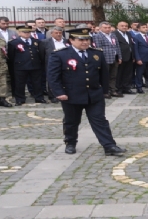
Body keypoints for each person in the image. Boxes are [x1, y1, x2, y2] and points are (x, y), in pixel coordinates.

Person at [48, 28, 126, 156]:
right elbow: (53, 76)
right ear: (71, 40)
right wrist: (59, 92)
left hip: (94, 95)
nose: (85, 42)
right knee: (71, 121)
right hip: (71, 95)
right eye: (81, 40)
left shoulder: (96, 53)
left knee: (100, 121)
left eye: (87, 39)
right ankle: (70, 143)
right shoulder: (60, 54)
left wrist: (104, 91)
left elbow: (104, 74)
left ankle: (109, 145)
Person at [7, 26, 47, 105]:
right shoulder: (13, 42)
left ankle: (39, 97)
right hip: (20, 66)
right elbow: (11, 56)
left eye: (28, 32)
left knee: (37, 83)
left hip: (35, 65)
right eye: (24, 32)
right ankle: (20, 99)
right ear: (19, 33)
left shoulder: (36, 41)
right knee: (20, 83)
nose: (26, 34)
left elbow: (41, 54)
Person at [92, 21, 123, 98]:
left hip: (114, 58)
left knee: (113, 75)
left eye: (109, 27)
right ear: (100, 28)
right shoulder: (97, 36)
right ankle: (105, 91)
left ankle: (113, 90)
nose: (107, 29)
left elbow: (117, 46)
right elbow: (98, 49)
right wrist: (100, 60)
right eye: (105, 28)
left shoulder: (113, 35)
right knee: (105, 76)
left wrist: (119, 57)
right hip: (105, 59)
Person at [113, 21, 136, 95]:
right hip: (120, 57)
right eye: (122, 26)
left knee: (128, 74)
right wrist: (118, 57)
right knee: (119, 74)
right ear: (117, 26)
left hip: (129, 56)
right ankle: (119, 88)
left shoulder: (128, 34)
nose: (124, 27)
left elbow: (131, 45)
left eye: (126, 26)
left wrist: (133, 56)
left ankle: (126, 88)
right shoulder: (114, 34)